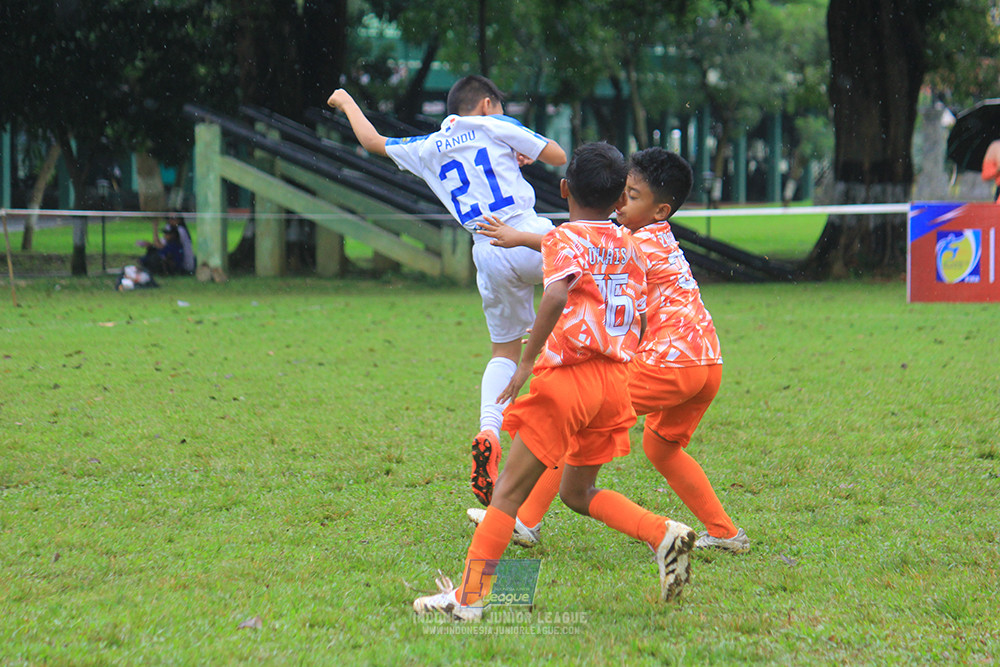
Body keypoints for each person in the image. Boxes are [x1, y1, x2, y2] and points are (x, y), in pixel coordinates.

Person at [412, 142, 697, 621]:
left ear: (564, 189)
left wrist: (524, 363)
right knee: (575, 493)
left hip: (569, 380)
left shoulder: (564, 236)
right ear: (618, 199)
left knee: (506, 494)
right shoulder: (630, 242)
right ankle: (661, 532)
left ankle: (469, 599)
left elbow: (557, 293)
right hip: (614, 385)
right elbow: (641, 315)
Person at [470, 147, 749, 554]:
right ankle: (724, 532)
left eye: (632, 196)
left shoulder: (634, 243)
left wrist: (521, 239)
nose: (621, 202)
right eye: (622, 191)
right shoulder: (658, 238)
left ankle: (523, 519)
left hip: (669, 362)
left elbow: (579, 247)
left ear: (661, 210)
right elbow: (582, 243)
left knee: (576, 417)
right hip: (707, 363)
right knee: (661, 446)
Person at [327, 76, 567, 507]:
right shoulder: (494, 125)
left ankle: (489, 428)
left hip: (487, 250)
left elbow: (372, 141)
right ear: (488, 104)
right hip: (525, 232)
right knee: (585, 288)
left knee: (503, 351)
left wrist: (346, 100)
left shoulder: (426, 145)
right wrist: (517, 149)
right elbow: (558, 154)